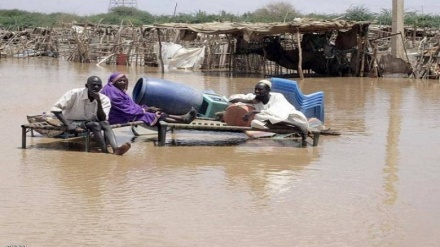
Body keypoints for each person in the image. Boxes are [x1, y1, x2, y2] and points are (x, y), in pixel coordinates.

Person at [50, 75, 131, 155]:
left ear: (101, 87)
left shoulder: (104, 99)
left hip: (90, 121)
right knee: (95, 125)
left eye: (98, 85)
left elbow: (102, 119)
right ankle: (105, 151)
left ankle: (116, 149)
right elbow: (56, 109)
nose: (96, 87)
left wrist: (98, 101)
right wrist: (67, 124)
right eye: (93, 85)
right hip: (72, 121)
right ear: (86, 85)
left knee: (105, 123)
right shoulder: (74, 93)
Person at [101, 72, 197, 126]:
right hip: (116, 116)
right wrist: (144, 110)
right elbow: (124, 108)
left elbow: (129, 104)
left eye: (124, 80)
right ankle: (183, 120)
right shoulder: (112, 92)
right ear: (113, 81)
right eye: (120, 81)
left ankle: (182, 118)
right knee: (152, 115)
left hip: (123, 113)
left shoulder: (115, 89)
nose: (122, 82)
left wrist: (144, 108)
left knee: (153, 111)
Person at [228, 79, 309, 130]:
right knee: (255, 122)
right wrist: (250, 101)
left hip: (287, 117)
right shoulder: (253, 97)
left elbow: (276, 113)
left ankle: (292, 127)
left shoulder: (277, 96)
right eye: (256, 89)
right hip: (268, 120)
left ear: (268, 90)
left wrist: (253, 112)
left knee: (260, 116)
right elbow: (231, 98)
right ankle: (277, 127)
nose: (257, 91)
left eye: (260, 90)